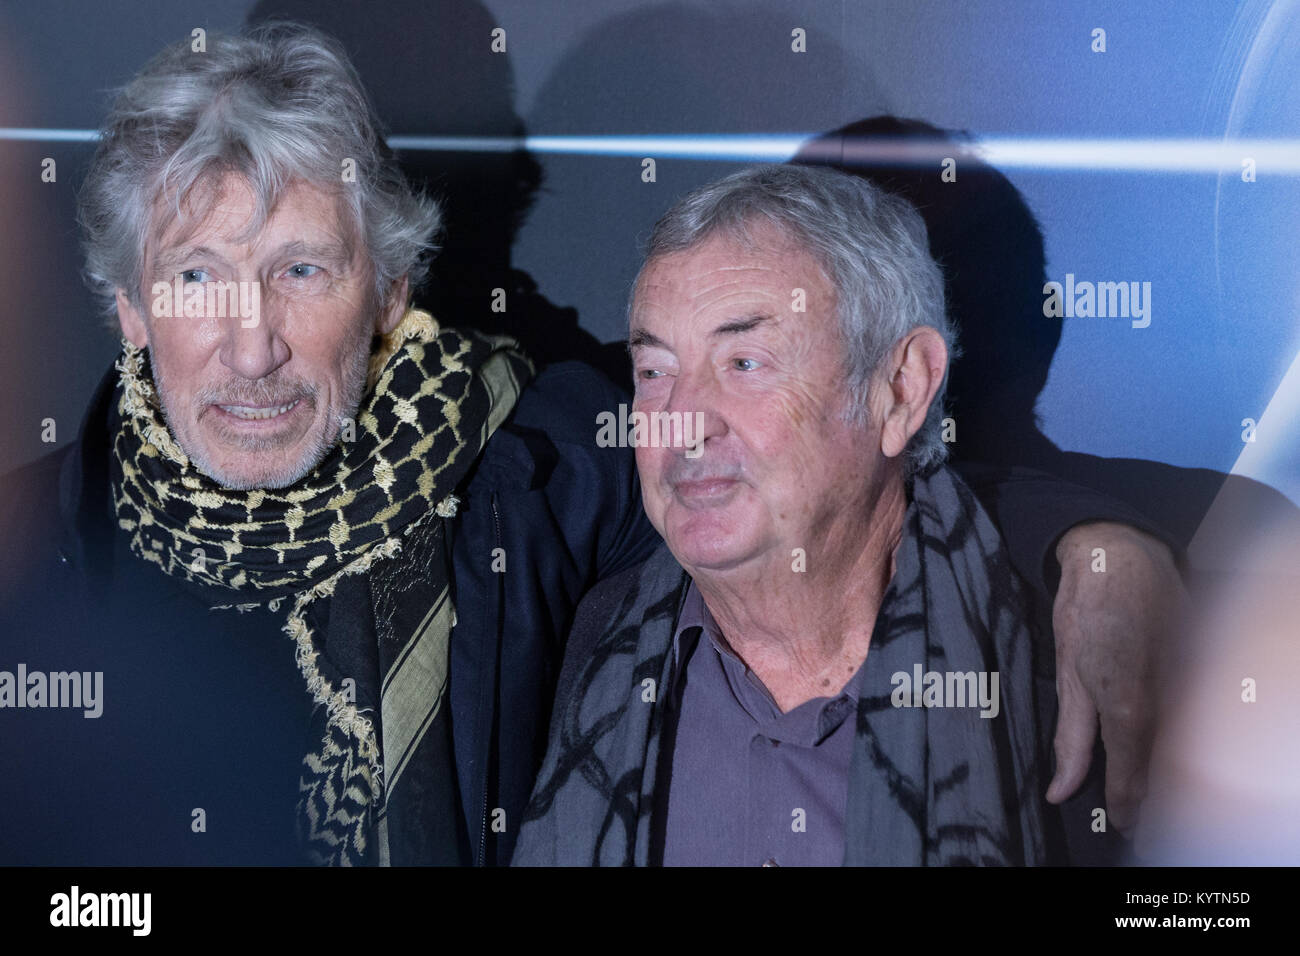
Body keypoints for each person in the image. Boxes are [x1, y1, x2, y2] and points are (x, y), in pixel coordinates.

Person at [0, 25, 1174, 867]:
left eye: (301, 270)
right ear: (130, 309)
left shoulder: (549, 460)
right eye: (195, 277)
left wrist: (1095, 547)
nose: (249, 348)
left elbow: (833, 467)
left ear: (389, 291)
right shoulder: (26, 551)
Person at [512, 164, 1182, 866]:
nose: (681, 423)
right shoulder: (586, 643)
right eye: (654, 372)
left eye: (744, 361)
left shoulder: (1077, 667)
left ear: (901, 388)